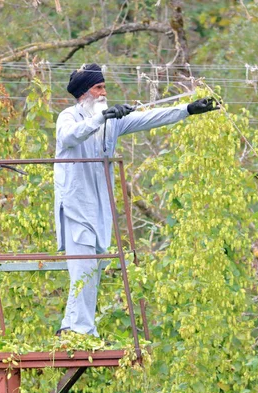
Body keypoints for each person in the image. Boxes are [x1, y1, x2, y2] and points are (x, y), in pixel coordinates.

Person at [54, 63, 217, 336]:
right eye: (98, 87)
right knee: (82, 269)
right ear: (84, 92)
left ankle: (72, 327)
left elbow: (151, 117)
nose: (104, 92)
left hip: (99, 209)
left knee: (92, 270)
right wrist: (101, 118)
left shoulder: (111, 122)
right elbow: (68, 137)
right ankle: (79, 329)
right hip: (76, 207)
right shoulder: (68, 117)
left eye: (105, 86)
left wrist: (188, 110)